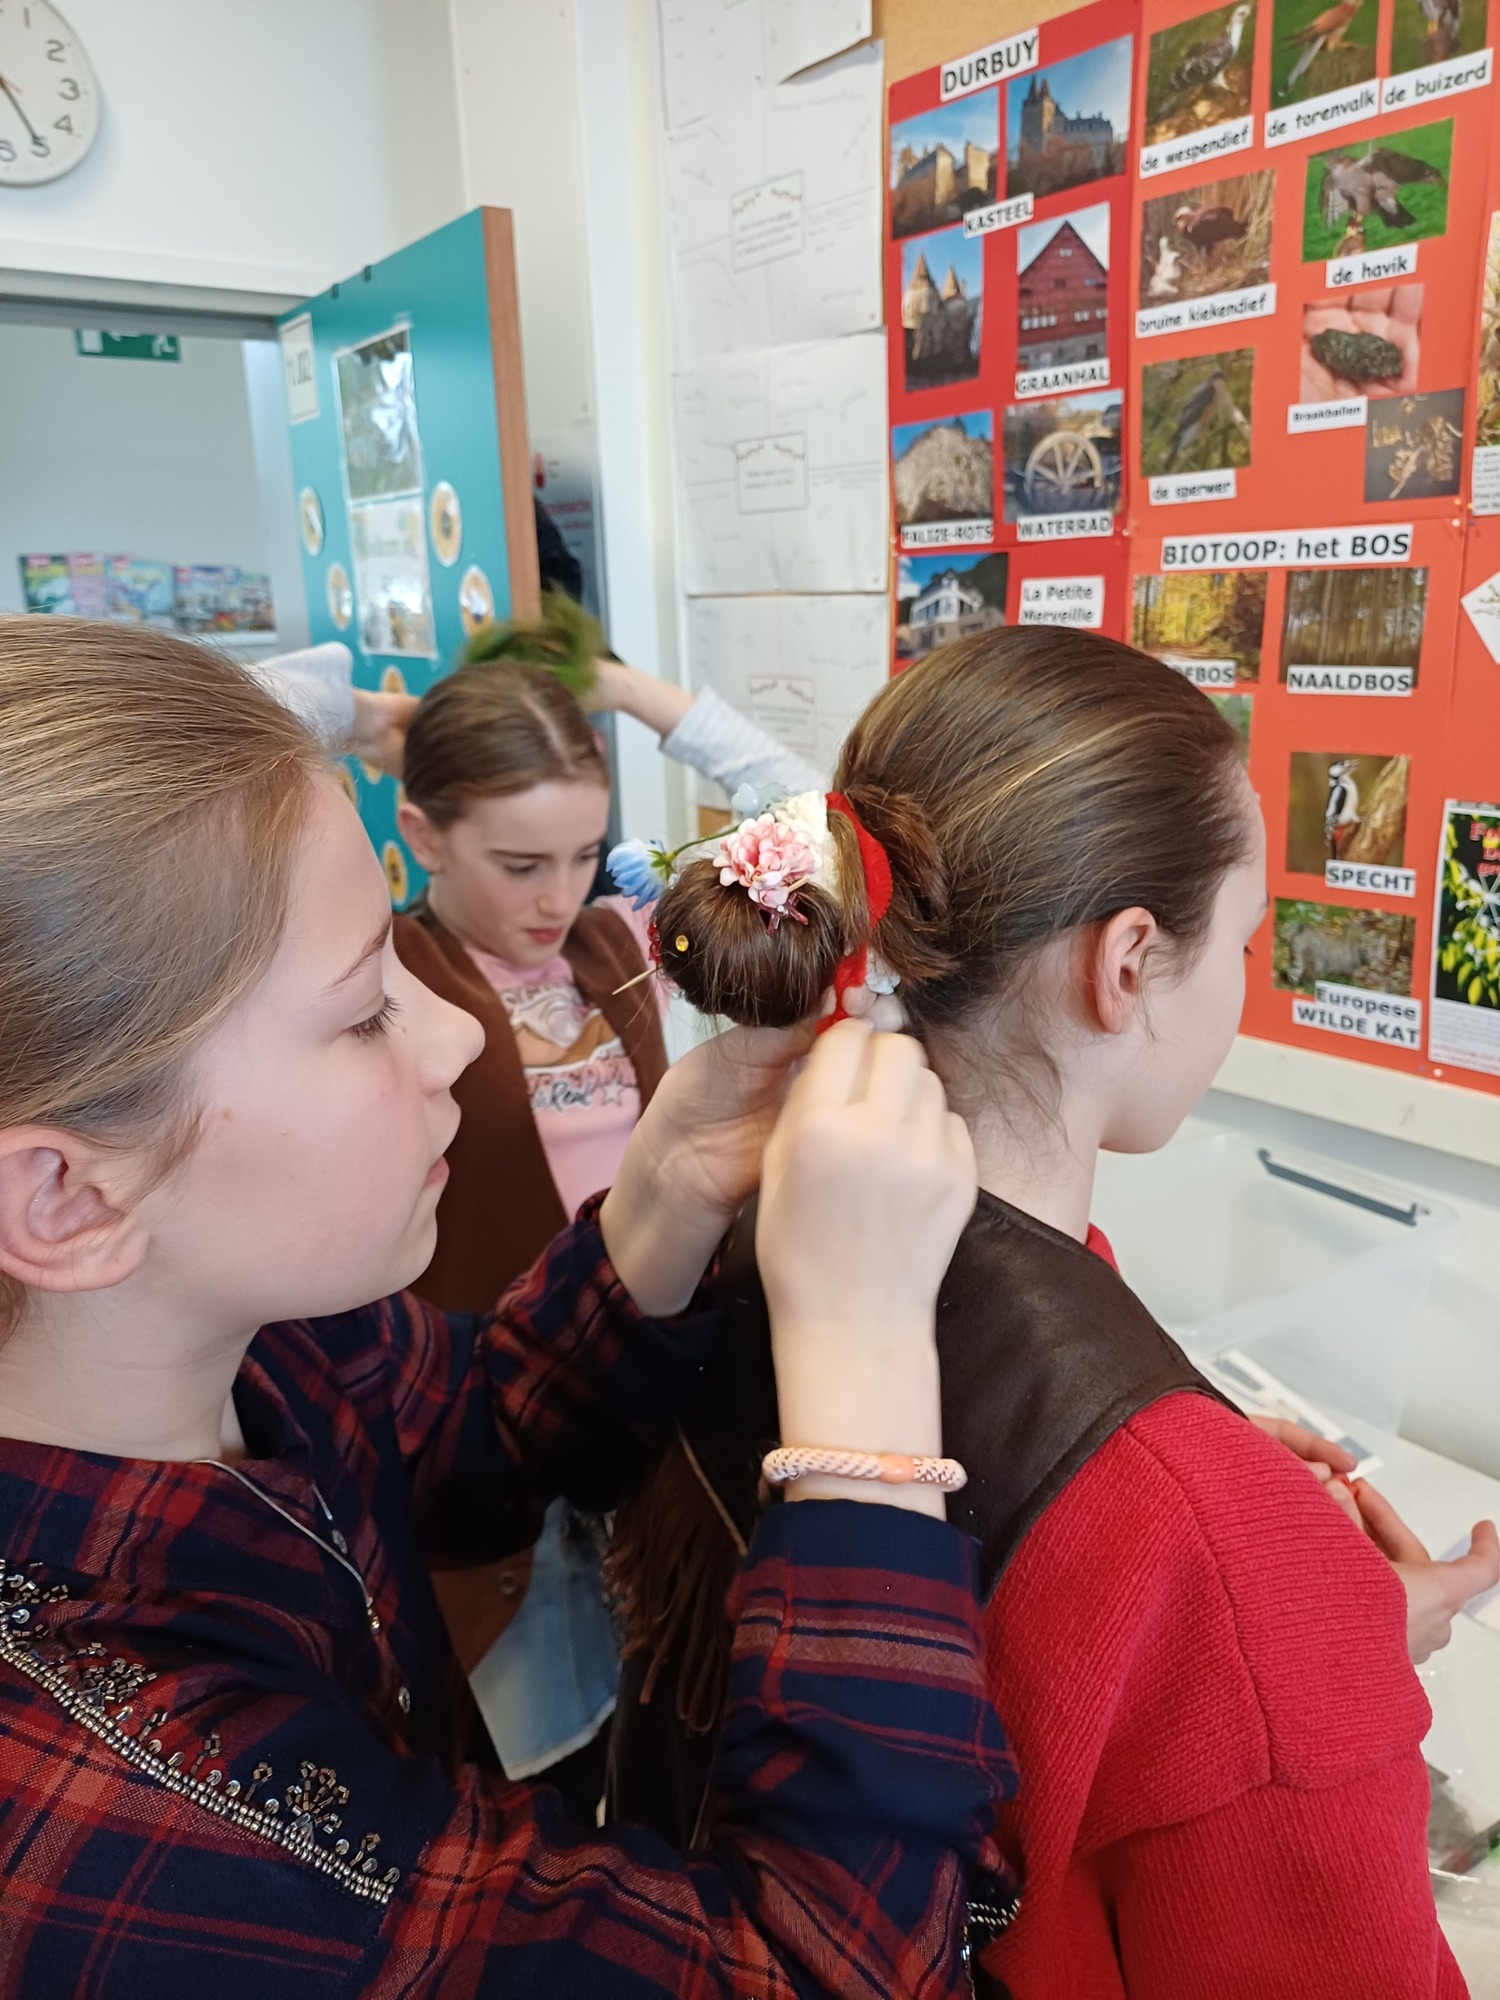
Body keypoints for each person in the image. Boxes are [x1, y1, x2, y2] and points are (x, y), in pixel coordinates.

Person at [0, 615, 1018, 1998]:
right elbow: (820, 1966)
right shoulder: (137, 1811)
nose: (460, 1030)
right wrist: (860, 1354)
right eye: (364, 1012)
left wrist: (669, 1180)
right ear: (66, 1196)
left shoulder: (272, 1343)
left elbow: (471, 1432)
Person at [606, 627, 1490, 1998]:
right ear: (1127, 963)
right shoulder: (1221, 1559)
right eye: (1243, 938)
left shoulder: (743, 1228)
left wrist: (1222, 1509)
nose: (1244, 980)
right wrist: (1313, 1646)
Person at [379, 609, 820, 1816]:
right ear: (420, 832)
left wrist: (627, 692)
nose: (556, 892)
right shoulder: (383, 980)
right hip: (479, 1424)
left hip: (639, 1389)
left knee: (660, 1716)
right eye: (520, 862)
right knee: (529, 1767)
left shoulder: (622, 936)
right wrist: (358, 715)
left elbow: (813, 824)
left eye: (583, 851)